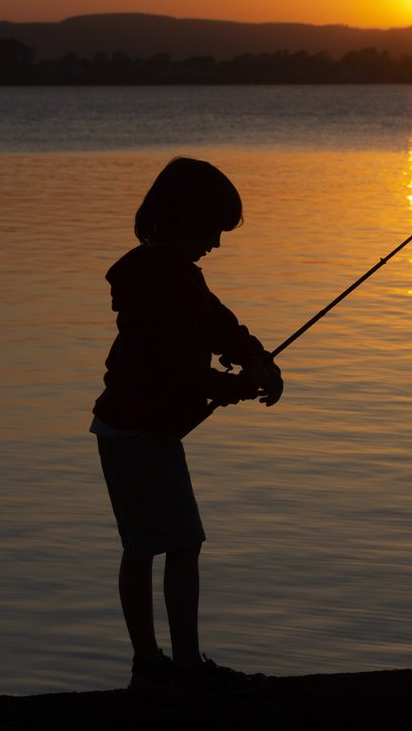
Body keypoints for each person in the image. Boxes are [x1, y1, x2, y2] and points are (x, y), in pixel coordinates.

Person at [91, 157, 283, 695]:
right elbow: (180, 372)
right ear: (184, 218)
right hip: (140, 432)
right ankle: (179, 666)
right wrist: (240, 385)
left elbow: (216, 323)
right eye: (212, 231)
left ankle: (152, 662)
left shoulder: (171, 274)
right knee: (178, 542)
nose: (217, 245)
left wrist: (257, 357)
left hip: (125, 428)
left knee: (147, 545)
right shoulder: (161, 279)